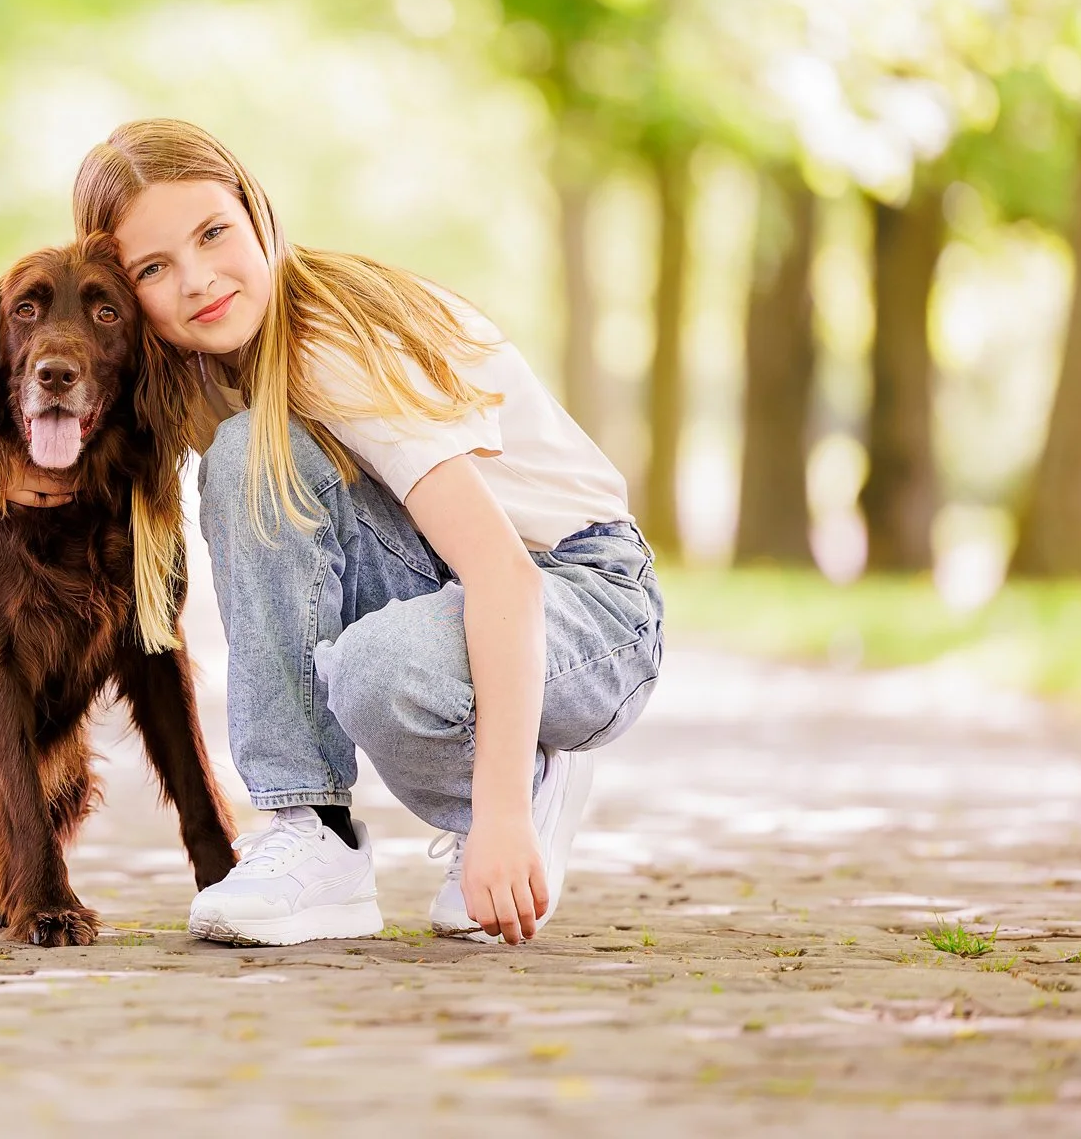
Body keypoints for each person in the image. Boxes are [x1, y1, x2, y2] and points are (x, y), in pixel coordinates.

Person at [71, 119, 665, 947]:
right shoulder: (200, 371)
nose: (199, 280)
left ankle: (521, 789)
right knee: (250, 455)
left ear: (256, 213)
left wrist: (496, 819)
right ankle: (315, 838)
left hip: (587, 603)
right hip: (454, 586)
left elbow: (505, 575)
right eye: (154, 268)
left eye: (213, 233)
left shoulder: (331, 342)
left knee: (375, 669)